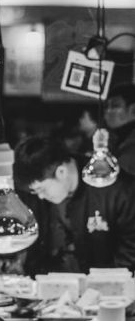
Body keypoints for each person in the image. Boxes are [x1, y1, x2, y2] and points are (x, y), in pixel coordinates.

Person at [13, 136, 135, 274]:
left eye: (42, 189)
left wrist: (99, 283)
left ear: (61, 172)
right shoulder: (50, 197)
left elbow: (130, 253)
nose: (41, 197)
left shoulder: (116, 188)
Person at [104, 83, 135, 175]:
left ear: (133, 110)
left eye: (115, 106)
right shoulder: (115, 139)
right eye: (106, 107)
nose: (107, 111)